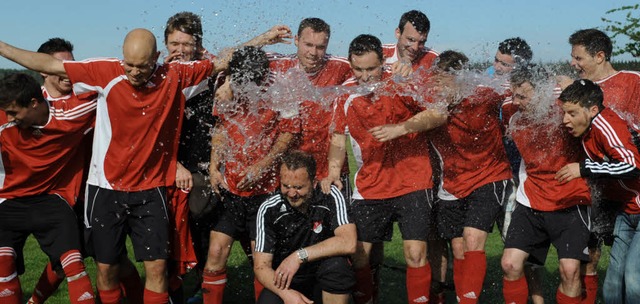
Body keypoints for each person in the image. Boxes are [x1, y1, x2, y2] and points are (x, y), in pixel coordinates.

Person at [0, 28, 235, 303]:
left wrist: (260, 42)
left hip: (149, 189)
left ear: (157, 58)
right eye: (129, 65)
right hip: (103, 191)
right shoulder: (105, 72)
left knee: (156, 267)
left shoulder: (172, 76)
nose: (134, 72)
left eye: (142, 66)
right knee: (106, 268)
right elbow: (48, 64)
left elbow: (221, 61)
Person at [322, 34, 447, 304]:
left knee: (415, 253)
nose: (365, 76)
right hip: (370, 185)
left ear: (383, 62)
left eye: (371, 69)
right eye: (358, 69)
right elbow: (337, 138)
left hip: (413, 181)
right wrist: (333, 171)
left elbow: (439, 113)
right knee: (359, 256)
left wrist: (401, 128)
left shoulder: (402, 81)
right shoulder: (346, 93)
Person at [26, 37, 144, 304]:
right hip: (54, 198)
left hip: (94, 192)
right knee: (62, 261)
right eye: (60, 65)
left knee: (113, 259)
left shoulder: (91, 97)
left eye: (72, 64)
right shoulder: (30, 105)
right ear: (44, 69)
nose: (68, 71)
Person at [203, 46, 300, 304]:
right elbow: (221, 128)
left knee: (262, 260)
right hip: (231, 188)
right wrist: (214, 167)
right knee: (215, 252)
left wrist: (263, 165)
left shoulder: (281, 90)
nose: (249, 89)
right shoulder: (226, 88)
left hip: (264, 193)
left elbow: (288, 133)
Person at [0, 73, 97, 304]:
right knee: (3, 263)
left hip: (53, 199)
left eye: (14, 112)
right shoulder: (4, 119)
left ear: (34, 103)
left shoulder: (71, 114)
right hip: (8, 200)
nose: (10, 118)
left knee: (74, 265)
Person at [500, 67, 592, 304]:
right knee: (510, 263)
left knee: (570, 271)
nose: (516, 101)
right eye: (514, 95)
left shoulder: (564, 111)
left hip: (570, 199)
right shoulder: (512, 114)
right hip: (531, 200)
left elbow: (595, 112)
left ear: (542, 92)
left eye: (523, 96)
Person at [429, 50, 513, 303]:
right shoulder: (429, 101)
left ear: (462, 79)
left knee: (472, 239)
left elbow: (521, 91)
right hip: (453, 182)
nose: (441, 89)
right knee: (457, 247)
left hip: (490, 175)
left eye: (447, 83)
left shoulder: (484, 96)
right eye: (438, 82)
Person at [564, 28, 640, 304]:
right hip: (601, 189)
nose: (573, 63)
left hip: (628, 182)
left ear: (599, 56)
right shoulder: (578, 90)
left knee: (632, 275)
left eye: (578, 57)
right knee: (590, 255)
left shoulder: (632, 81)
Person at [253, 150, 356, 304]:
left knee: (337, 268)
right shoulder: (269, 208)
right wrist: (287, 295)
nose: (292, 193)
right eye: (286, 186)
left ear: (314, 183)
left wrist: (298, 257)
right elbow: (261, 266)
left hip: (323, 275)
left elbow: (349, 242)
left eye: (299, 187)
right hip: (287, 281)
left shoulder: (329, 195)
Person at [267, 17, 352, 184]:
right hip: (289, 175)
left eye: (320, 47)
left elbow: (373, 67)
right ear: (296, 41)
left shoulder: (340, 66)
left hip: (329, 174)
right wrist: (228, 83)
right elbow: (233, 60)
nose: (313, 53)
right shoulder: (278, 65)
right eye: (308, 45)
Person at [383, 10, 438, 76]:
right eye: (411, 40)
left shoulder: (434, 60)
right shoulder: (380, 53)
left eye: (421, 42)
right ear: (398, 33)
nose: (415, 48)